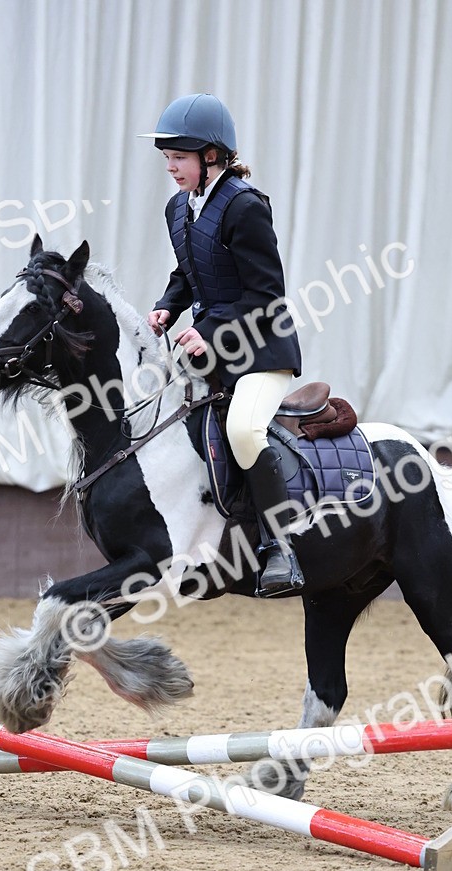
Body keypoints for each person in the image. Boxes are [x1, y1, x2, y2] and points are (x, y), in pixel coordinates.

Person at [141, 93, 303, 596]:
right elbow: (189, 272)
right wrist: (169, 305)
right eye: (166, 158)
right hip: (212, 354)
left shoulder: (245, 206)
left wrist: (207, 330)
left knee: (245, 430)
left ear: (212, 156)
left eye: (179, 158)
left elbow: (265, 293)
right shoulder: (178, 208)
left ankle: (281, 546)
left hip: (262, 353)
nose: (170, 168)